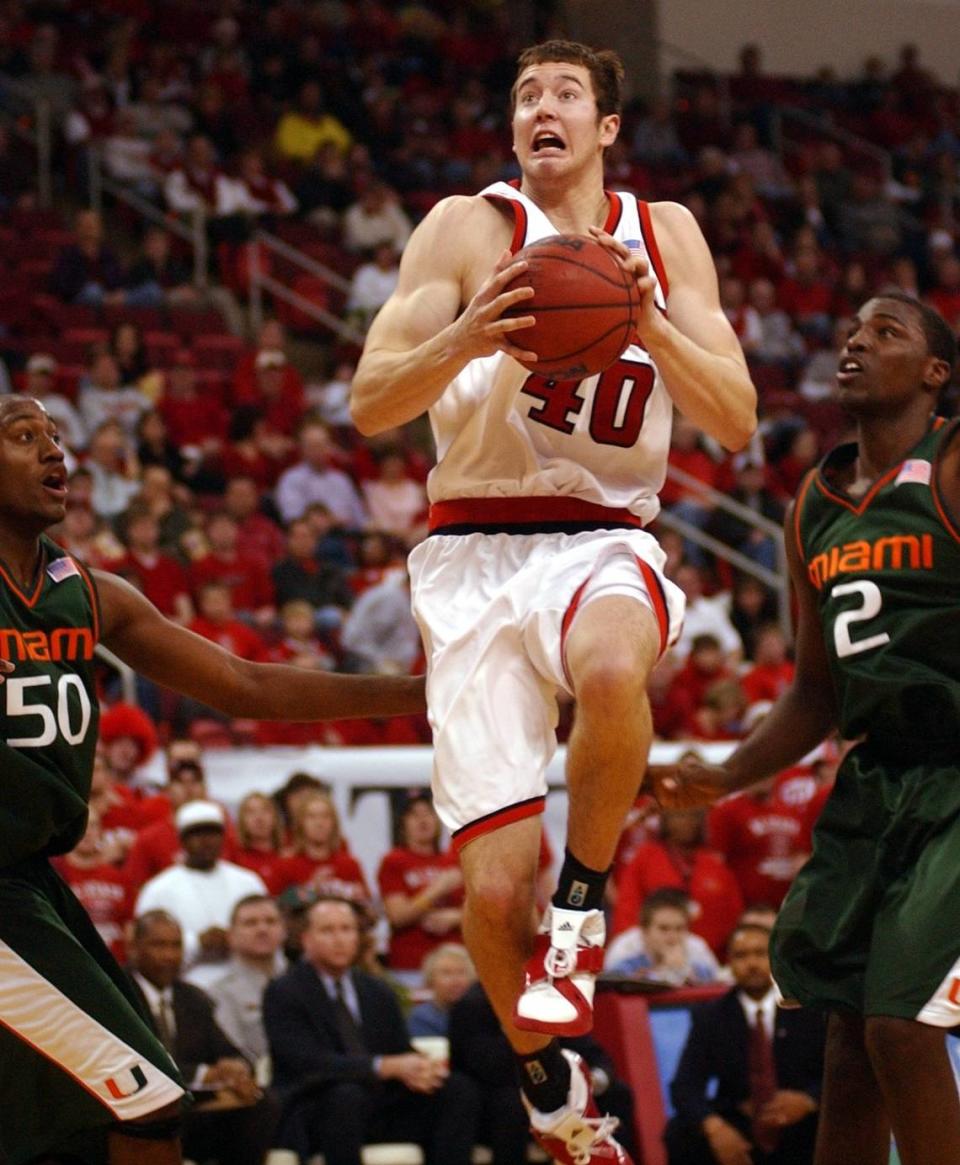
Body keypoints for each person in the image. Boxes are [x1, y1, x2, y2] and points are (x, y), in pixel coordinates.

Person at [350, 38, 756, 1165]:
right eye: (526, 94)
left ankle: (584, 902)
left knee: (616, 670)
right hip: (470, 555)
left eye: (565, 94)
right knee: (488, 900)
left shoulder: (664, 234)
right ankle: (553, 1092)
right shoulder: (464, 229)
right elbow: (372, 399)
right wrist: (471, 330)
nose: (542, 108)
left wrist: (648, 320)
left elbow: (735, 418)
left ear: (607, 126)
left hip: (601, 535)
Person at [0, 393, 425, 1165]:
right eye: (24, 437)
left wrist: (415, 692)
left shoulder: (90, 593)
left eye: (57, 436)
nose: (54, 452)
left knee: (80, 1123)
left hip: (29, 882)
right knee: (148, 1096)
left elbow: (244, 684)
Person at [650, 293, 959, 1165]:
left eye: (886, 332)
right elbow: (814, 695)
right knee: (847, 1038)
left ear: (937, 375)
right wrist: (724, 773)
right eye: (852, 328)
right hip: (878, 780)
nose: (856, 340)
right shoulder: (811, 505)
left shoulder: (952, 461)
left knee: (901, 1025)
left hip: (957, 775)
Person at [263, 896, 479, 1165]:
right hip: (317, 1106)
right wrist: (381, 1066)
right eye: (328, 930)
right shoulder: (284, 991)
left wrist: (422, 1069)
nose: (339, 939)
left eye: (347, 929)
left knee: (457, 1089)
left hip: (378, 1104)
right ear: (306, 939)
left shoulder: (376, 990)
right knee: (346, 1096)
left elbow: (399, 1050)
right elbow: (305, 1062)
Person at [664, 922, 825, 1165]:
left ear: (776, 957)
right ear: (729, 963)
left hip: (804, 1120)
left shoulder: (809, 1008)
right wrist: (715, 1127)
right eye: (741, 955)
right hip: (741, 1123)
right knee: (679, 1133)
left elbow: (843, 1075)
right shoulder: (711, 1016)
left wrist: (808, 1101)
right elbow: (684, 1087)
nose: (751, 964)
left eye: (760, 953)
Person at [126, 910, 278, 1165]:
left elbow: (231, 1051)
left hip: (194, 1111)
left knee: (262, 1102)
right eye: (158, 945)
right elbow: (135, 1064)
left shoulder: (192, 998)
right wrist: (203, 1074)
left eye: (176, 946)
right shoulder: (119, 994)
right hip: (143, 1108)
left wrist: (237, 1069)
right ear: (134, 948)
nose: (168, 956)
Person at [207, 894, 287, 1068]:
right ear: (231, 935)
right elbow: (235, 1051)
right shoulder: (220, 992)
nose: (262, 929)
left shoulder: (302, 982)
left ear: (283, 930)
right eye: (251, 923)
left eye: (271, 921)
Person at [604, 886, 720, 985]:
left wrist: (684, 970)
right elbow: (613, 983)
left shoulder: (696, 946)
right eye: (664, 929)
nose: (672, 937)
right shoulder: (625, 946)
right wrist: (663, 971)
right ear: (644, 931)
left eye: (679, 928)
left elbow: (716, 981)